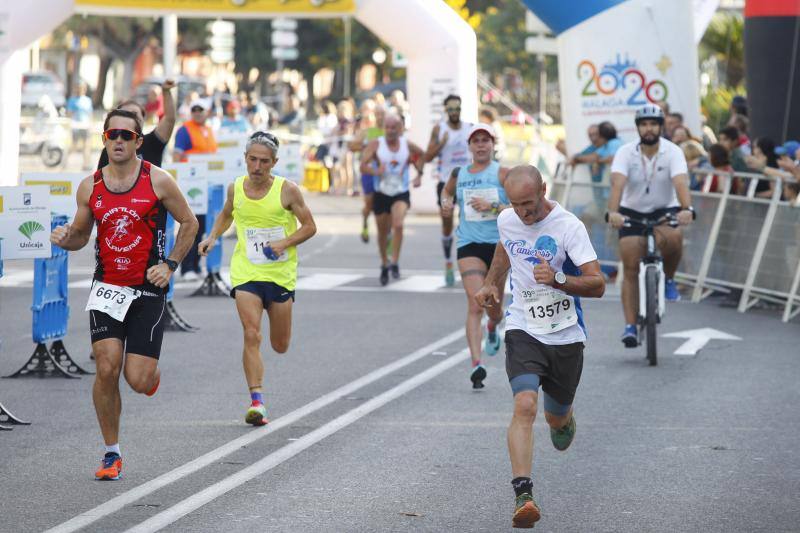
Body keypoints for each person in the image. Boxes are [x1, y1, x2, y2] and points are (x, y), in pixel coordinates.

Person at [49, 109, 199, 480]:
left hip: (148, 289)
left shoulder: (158, 181)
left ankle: (150, 376)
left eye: (125, 135)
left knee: (137, 379)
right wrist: (68, 239)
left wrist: (171, 264)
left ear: (138, 142)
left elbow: (190, 222)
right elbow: (82, 235)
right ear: (104, 140)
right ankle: (110, 453)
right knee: (105, 365)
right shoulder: (91, 186)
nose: (118, 140)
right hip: (107, 289)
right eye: (111, 134)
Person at [474, 165, 605, 529]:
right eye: (516, 206)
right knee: (525, 404)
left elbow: (598, 284)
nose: (523, 214)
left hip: (565, 335)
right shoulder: (508, 219)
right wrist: (491, 284)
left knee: (555, 416)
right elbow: (505, 249)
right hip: (524, 326)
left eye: (529, 205)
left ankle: (564, 418)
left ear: (544, 189)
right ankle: (524, 495)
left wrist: (561, 279)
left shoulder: (569, 227)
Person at [198, 131, 316, 426]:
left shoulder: (287, 191)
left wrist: (285, 243)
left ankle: (261, 388)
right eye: (253, 159)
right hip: (247, 271)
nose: (258, 166)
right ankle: (257, 402)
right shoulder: (235, 188)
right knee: (251, 333)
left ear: (274, 162)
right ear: (245, 159)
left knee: (279, 344)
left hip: (279, 275)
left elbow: (310, 226)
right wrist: (212, 236)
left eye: (264, 161)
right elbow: (227, 214)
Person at [607, 104, 695, 347]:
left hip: (664, 209)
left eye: (653, 124)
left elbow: (680, 183)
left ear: (661, 126)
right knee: (631, 267)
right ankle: (630, 326)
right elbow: (617, 184)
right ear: (638, 128)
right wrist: (613, 212)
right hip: (631, 212)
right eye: (644, 124)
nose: (649, 128)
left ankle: (668, 279)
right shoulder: (625, 152)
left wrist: (687, 209)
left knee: (674, 237)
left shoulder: (673, 151)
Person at [440, 124, 510, 388]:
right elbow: (446, 193)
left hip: (498, 247)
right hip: (468, 243)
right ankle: (476, 365)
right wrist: (446, 203)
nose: (481, 145)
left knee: (494, 307)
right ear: (469, 147)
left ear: (493, 145)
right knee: (474, 303)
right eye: (476, 141)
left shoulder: (503, 173)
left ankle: (493, 326)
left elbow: (520, 208)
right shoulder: (459, 174)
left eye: (485, 140)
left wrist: (493, 205)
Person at [360, 113, 425, 285]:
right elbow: (362, 165)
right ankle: (384, 262)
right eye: (387, 127)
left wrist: (419, 174)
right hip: (381, 193)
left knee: (398, 224)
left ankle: (395, 261)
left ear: (400, 129)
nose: (390, 131)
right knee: (382, 232)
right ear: (384, 129)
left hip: (400, 192)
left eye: (393, 128)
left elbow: (421, 155)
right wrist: (376, 171)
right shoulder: (376, 144)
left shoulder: (406, 144)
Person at [426, 94, 473, 287]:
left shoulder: (470, 128)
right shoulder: (439, 129)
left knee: (467, 224)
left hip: (468, 183)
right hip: (446, 184)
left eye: (458, 109)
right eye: (451, 109)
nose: (455, 112)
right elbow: (428, 156)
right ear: (446, 111)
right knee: (447, 223)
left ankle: (467, 265)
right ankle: (448, 264)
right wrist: (441, 144)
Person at [174, 98, 218, 281]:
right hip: (191, 184)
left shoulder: (208, 130)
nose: (198, 112)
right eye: (194, 109)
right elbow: (177, 156)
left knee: (201, 227)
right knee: (191, 225)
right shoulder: (185, 130)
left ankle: (194, 265)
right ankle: (185, 267)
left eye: (201, 109)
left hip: (205, 184)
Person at [97, 79, 177, 169]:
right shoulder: (109, 149)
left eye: (134, 114)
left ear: (143, 119)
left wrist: (166, 92)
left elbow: (169, 119)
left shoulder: (153, 142)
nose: (129, 118)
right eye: (125, 113)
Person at [349, 101, 385, 243]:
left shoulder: (390, 132)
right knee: (369, 204)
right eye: (378, 114)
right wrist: (365, 146)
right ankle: (365, 221)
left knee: (384, 208)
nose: (381, 117)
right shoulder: (367, 132)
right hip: (369, 172)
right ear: (374, 116)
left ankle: (386, 234)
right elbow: (351, 146)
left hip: (385, 174)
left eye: (383, 114)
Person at [66, 83, 94, 170]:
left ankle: (86, 164)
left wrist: (91, 124)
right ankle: (65, 162)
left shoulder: (87, 100)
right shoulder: (72, 100)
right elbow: (69, 113)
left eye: (82, 89)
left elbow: (90, 113)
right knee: (74, 145)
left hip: (85, 125)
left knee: (86, 145)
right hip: (76, 125)